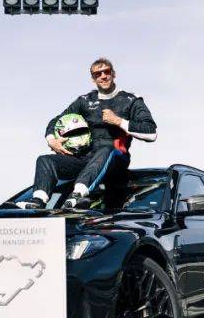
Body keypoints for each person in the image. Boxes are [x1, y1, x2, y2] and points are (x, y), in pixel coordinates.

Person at [20, 57, 157, 210]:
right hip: (86, 160)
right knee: (45, 160)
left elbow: (151, 132)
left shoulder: (130, 100)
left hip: (115, 159)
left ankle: (78, 195)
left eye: (106, 72)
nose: (103, 76)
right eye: (98, 74)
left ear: (113, 74)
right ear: (93, 79)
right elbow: (57, 120)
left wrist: (119, 121)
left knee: (106, 150)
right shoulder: (85, 101)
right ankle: (38, 200)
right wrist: (52, 139)